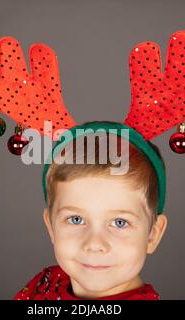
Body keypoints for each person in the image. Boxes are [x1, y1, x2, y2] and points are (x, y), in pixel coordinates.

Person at [14, 121, 168, 300]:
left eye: (120, 222)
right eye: (76, 219)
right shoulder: (44, 286)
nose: (94, 245)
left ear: (152, 235)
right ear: (51, 227)